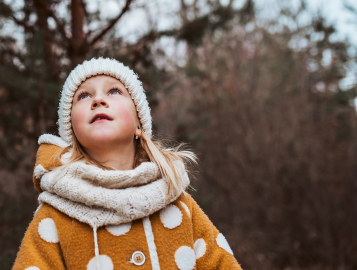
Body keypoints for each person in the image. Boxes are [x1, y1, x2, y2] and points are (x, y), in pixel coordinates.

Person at [12, 57, 242, 270]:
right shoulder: (54, 216)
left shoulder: (179, 205)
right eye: (83, 96)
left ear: (138, 124)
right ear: (72, 131)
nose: (98, 100)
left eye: (114, 91)